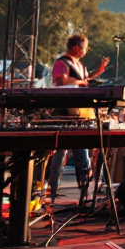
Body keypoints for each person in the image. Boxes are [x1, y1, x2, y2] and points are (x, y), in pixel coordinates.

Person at [46, 33, 108, 206]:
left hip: (80, 113)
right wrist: (80, 83)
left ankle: (85, 193)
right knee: (60, 154)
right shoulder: (62, 62)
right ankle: (53, 192)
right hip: (64, 111)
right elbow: (60, 80)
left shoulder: (79, 65)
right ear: (75, 47)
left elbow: (85, 80)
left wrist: (98, 71)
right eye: (84, 47)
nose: (85, 51)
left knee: (83, 154)